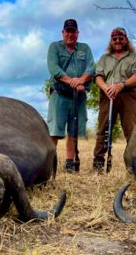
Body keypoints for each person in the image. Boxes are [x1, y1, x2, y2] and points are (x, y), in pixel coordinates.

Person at [92, 27, 136, 170]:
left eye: (120, 38)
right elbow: (98, 77)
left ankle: (134, 164)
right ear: (111, 41)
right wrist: (106, 88)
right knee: (103, 129)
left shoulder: (133, 57)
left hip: (127, 95)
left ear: (125, 40)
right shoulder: (104, 58)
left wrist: (121, 85)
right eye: (114, 39)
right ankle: (98, 163)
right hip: (107, 95)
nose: (117, 41)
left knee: (131, 130)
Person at [47, 19, 95, 172]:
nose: (70, 34)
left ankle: (69, 164)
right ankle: (49, 163)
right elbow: (54, 69)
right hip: (60, 95)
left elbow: (91, 67)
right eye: (67, 31)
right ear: (63, 32)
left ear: (77, 33)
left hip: (78, 97)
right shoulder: (54, 47)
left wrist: (81, 80)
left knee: (73, 132)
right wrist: (73, 82)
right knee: (54, 131)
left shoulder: (85, 48)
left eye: (73, 31)